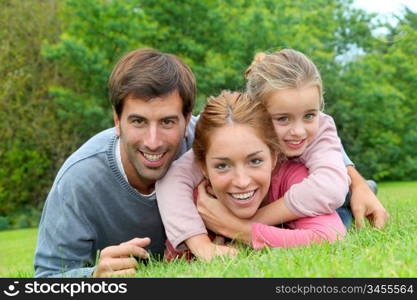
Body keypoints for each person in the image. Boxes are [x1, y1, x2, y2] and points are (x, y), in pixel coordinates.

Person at [156, 49, 389, 260]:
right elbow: (174, 180)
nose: (298, 131)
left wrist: (242, 224)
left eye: (309, 115)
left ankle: (358, 191)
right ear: (257, 113)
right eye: (282, 119)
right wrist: (199, 243)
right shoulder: (231, 130)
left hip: (325, 194)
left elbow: (330, 188)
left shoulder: (321, 129)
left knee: (341, 209)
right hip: (292, 195)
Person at [34, 48, 205, 277]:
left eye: (167, 122)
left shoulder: (213, 142)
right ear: (117, 120)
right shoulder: (79, 179)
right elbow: (46, 278)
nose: (153, 142)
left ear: (186, 119)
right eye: (138, 121)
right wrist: (93, 276)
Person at [165, 91, 346, 260]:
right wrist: (202, 245)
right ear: (202, 167)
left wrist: (238, 230)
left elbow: (331, 237)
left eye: (255, 161)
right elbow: (177, 262)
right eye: (222, 165)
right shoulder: (193, 201)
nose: (242, 181)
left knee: (346, 211)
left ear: (274, 157)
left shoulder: (294, 178)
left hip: (335, 193)